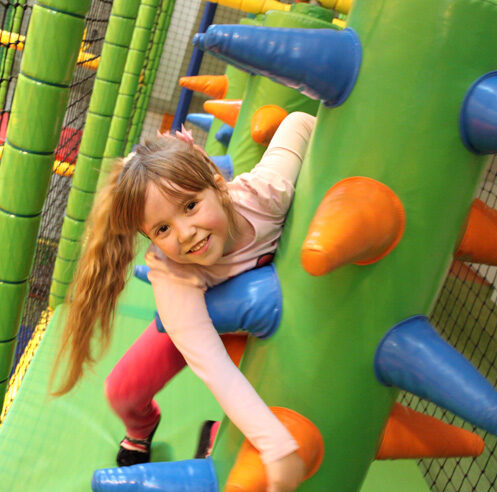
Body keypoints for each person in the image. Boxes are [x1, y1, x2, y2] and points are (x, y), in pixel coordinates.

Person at [54, 111, 316, 492]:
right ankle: (142, 429)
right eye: (162, 229)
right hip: (201, 319)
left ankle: (219, 437)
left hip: (267, 322)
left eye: (191, 206)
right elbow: (210, 363)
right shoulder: (172, 273)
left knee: (267, 386)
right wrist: (275, 446)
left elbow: (300, 121)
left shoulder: (265, 194)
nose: (186, 233)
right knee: (122, 391)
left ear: (216, 183)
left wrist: (273, 442)